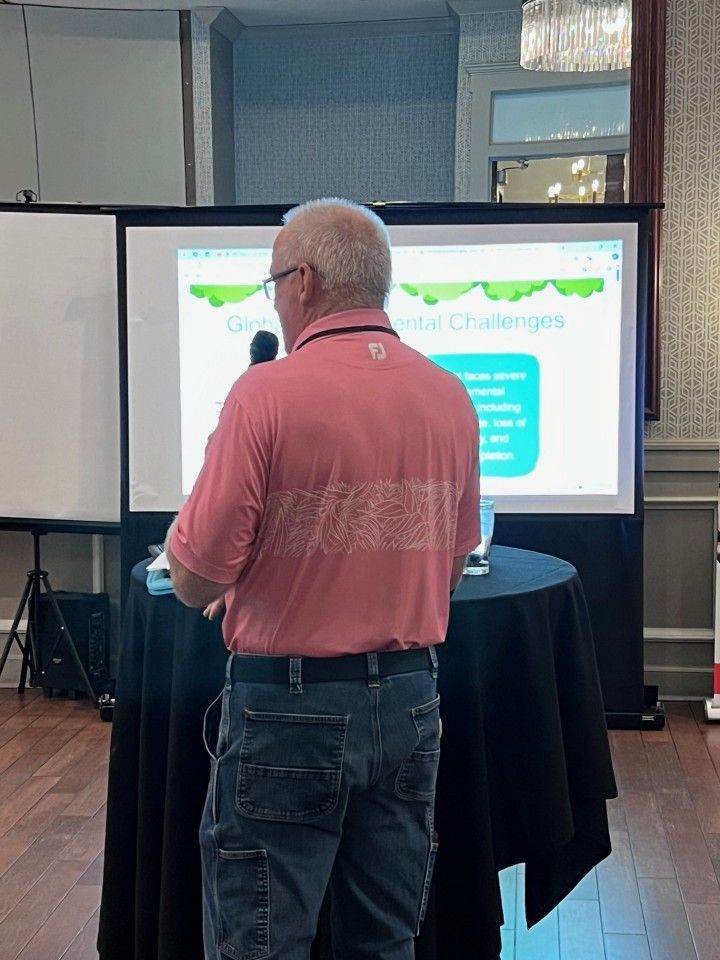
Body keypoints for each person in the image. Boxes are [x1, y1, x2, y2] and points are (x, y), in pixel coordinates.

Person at [165, 198, 480, 960]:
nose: (272, 296)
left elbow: (193, 579)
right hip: (412, 703)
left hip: (289, 707)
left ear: (302, 280)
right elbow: (452, 562)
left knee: (261, 944)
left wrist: (234, 581)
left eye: (272, 281)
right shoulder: (451, 396)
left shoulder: (265, 393)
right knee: (384, 943)